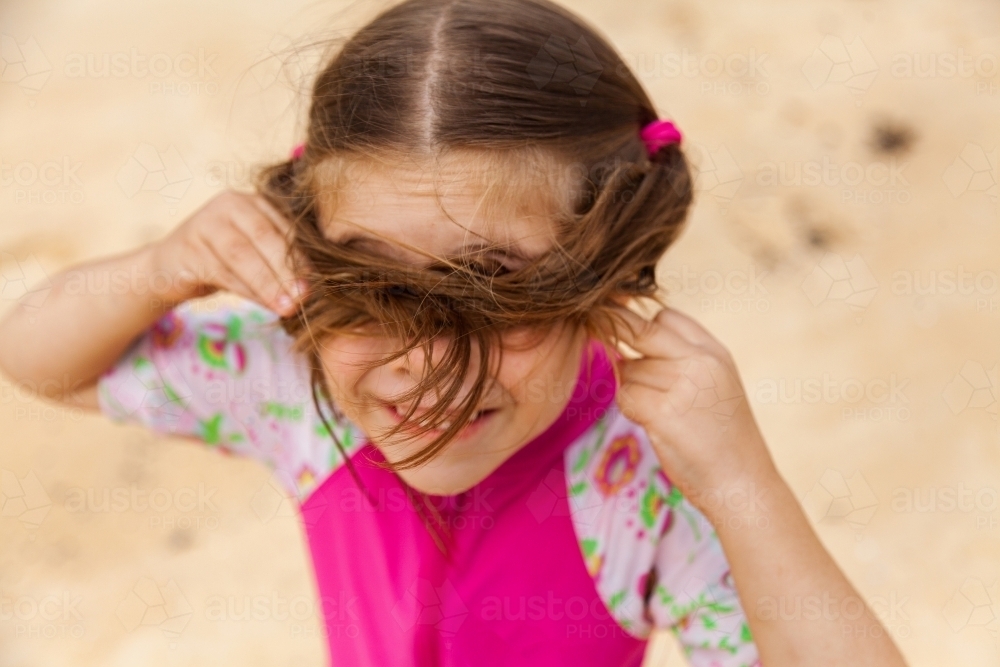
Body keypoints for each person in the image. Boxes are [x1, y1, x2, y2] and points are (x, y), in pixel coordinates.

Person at [0, 0, 909, 665]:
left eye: (497, 292)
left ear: (604, 283)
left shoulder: (640, 482)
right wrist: (159, 270)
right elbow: (36, 358)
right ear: (306, 257)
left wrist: (743, 483)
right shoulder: (298, 389)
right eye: (372, 288)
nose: (427, 367)